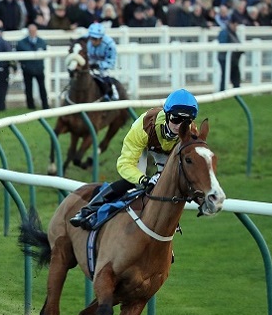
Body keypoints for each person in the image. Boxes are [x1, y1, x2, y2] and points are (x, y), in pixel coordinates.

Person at [69, 89, 200, 230]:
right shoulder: (142, 127)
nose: (180, 126)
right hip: (147, 143)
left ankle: (168, 220)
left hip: (171, 150)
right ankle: (88, 210)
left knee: (171, 182)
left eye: (186, 121)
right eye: (176, 119)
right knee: (133, 182)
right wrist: (144, 179)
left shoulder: (192, 132)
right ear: (167, 115)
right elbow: (125, 164)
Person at [16, 23, 50, 110]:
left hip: (39, 69)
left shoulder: (41, 42)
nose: (32, 32)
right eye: (31, 31)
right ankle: (30, 106)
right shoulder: (22, 43)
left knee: (42, 88)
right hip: (27, 69)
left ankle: (45, 105)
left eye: (34, 31)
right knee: (28, 88)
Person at [85, 22, 120, 101]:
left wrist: (98, 65)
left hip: (102, 67)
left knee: (104, 75)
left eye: (96, 39)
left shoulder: (110, 45)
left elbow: (111, 63)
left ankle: (111, 94)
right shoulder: (86, 40)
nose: (93, 41)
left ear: (101, 38)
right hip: (88, 64)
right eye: (92, 38)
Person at [217, 13, 243, 91]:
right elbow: (223, 46)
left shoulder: (232, 32)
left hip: (232, 59)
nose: (236, 27)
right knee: (225, 76)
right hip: (225, 58)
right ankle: (223, 91)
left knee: (235, 76)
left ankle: (236, 92)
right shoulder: (225, 32)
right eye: (235, 25)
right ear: (231, 24)